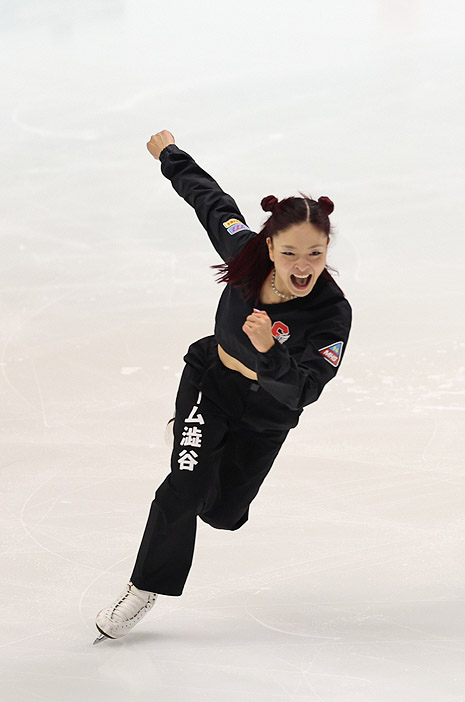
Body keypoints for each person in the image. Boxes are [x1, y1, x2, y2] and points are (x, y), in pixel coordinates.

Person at [94, 130, 352, 641]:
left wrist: (269, 353)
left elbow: (304, 390)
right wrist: (170, 155)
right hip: (211, 383)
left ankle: (196, 449)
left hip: (268, 414)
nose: (303, 267)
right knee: (184, 487)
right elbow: (211, 200)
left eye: (316, 253)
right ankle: (145, 586)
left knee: (224, 514)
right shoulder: (244, 254)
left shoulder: (331, 313)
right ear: (270, 245)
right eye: (292, 252)